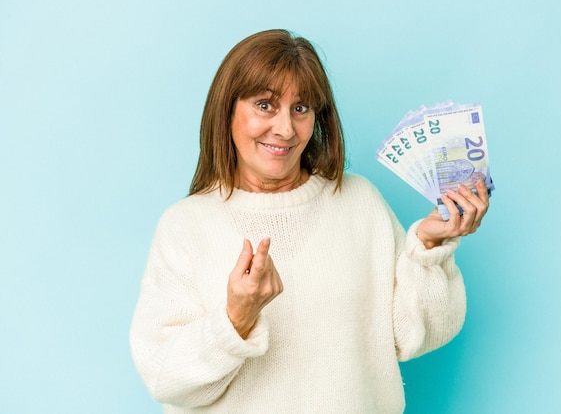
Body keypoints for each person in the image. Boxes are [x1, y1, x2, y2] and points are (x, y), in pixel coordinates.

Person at [129, 29, 489, 413]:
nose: (285, 129)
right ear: (227, 110)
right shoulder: (185, 226)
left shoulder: (358, 201)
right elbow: (165, 378)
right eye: (265, 105)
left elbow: (412, 336)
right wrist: (235, 318)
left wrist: (428, 251)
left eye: (300, 109)